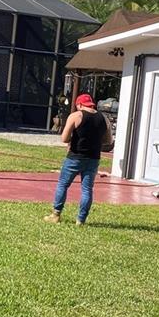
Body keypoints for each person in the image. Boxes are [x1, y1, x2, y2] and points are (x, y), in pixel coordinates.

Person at [44, 93, 113, 226]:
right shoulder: (104, 118)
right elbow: (109, 141)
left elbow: (64, 138)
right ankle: (81, 220)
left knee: (63, 184)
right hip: (93, 158)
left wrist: (74, 138)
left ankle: (56, 214)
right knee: (87, 189)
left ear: (79, 105)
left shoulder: (76, 116)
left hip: (74, 157)